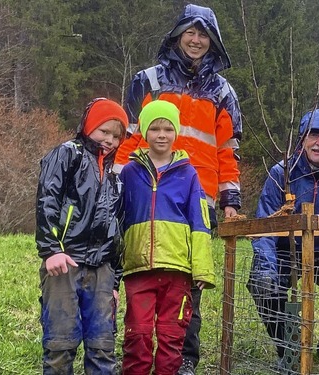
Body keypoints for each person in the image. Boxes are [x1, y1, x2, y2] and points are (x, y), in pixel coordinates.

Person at [113, 4, 242, 374]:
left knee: (189, 285)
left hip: (198, 197)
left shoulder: (223, 92)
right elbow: (129, 135)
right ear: (177, 34)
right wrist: (116, 184)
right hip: (145, 189)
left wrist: (230, 199)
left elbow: (227, 151)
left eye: (204, 35)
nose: (196, 40)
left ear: (213, 42)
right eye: (191, 32)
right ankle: (135, 354)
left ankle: (184, 359)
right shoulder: (147, 80)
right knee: (139, 266)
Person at [247, 108, 319, 372]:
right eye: (313, 135)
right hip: (287, 249)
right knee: (260, 281)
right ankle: (289, 347)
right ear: (302, 139)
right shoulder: (281, 174)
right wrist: (266, 269)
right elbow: (265, 224)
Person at [119, 100, 215, 374]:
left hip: (177, 270)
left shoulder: (188, 174)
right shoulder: (129, 172)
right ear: (145, 132)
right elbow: (118, 218)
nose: (162, 135)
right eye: (155, 128)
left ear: (176, 133)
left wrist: (202, 269)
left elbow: (200, 223)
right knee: (137, 333)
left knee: (172, 336)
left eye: (168, 129)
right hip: (139, 269)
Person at [35, 98, 128, 374]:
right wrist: (51, 249)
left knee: (103, 347)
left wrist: (116, 280)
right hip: (64, 263)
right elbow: (47, 200)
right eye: (104, 131)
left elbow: (118, 229)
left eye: (116, 135)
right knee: (60, 345)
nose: (109, 140)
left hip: (102, 270)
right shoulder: (67, 154)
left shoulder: (116, 176)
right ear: (89, 126)